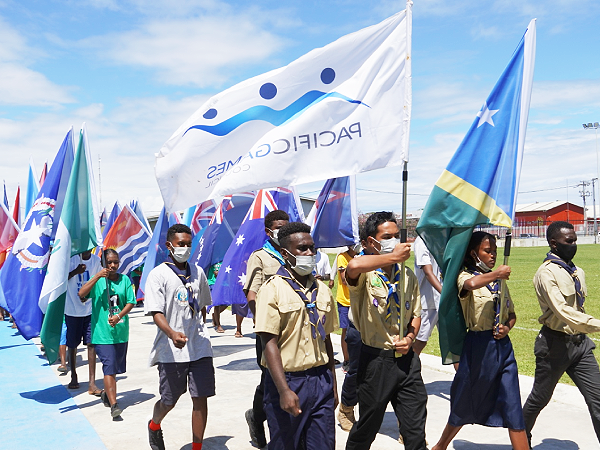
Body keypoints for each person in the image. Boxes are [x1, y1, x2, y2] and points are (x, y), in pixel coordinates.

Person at [431, 231, 528, 450]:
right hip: (478, 348)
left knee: (513, 404)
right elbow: (472, 284)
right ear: (473, 253)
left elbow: (511, 315)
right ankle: (441, 445)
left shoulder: (498, 281)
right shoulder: (463, 276)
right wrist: (497, 274)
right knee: (464, 400)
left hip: (503, 349)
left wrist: (507, 327)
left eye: (495, 251)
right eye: (487, 251)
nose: (493, 255)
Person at [345, 211, 426, 450]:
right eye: (387, 236)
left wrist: (411, 337)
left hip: (406, 361)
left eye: (397, 235)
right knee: (367, 428)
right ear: (372, 241)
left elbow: (416, 314)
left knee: (414, 430)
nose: (394, 241)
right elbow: (354, 265)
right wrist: (391, 258)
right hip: (376, 362)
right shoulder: (365, 273)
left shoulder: (407, 275)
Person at [255, 222, 338, 450]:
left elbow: (326, 339)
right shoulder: (271, 289)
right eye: (302, 249)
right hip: (289, 381)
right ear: (285, 253)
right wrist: (283, 390)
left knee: (323, 445)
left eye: (312, 248)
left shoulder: (322, 290)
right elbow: (268, 343)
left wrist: (333, 384)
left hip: (321, 379)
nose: (310, 253)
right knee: (285, 444)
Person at [522, 221, 600, 445]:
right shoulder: (546, 274)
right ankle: (521, 440)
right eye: (569, 241)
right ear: (554, 244)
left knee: (598, 400)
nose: (574, 245)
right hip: (554, 346)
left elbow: (578, 308)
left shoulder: (577, 271)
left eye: (575, 240)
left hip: (580, 346)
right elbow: (563, 311)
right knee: (539, 399)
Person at [145, 224, 214, 450]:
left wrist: (198, 329)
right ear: (169, 246)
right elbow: (156, 312)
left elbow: (202, 304)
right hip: (170, 349)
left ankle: (197, 446)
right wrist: (172, 332)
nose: (185, 248)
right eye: (180, 244)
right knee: (169, 399)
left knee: (200, 397)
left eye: (188, 244)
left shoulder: (198, 272)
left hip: (199, 347)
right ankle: (155, 424)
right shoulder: (158, 275)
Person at [243, 209, 289, 448]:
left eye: (286, 226)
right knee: (270, 377)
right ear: (269, 231)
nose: (283, 231)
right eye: (279, 227)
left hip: (294, 329)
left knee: (290, 376)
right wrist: (260, 319)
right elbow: (251, 292)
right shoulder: (261, 257)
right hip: (270, 330)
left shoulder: (293, 253)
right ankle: (258, 419)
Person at [79, 248, 136, 418]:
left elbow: (131, 302)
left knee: (116, 368)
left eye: (115, 262)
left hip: (120, 333)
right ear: (103, 264)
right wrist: (97, 276)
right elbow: (81, 294)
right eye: (109, 262)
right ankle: (114, 404)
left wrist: (119, 316)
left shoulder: (124, 280)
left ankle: (106, 394)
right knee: (109, 367)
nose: (112, 265)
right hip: (102, 334)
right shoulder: (98, 281)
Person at [65, 250, 102, 393]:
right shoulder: (72, 259)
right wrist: (75, 271)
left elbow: (99, 279)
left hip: (90, 310)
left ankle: (92, 382)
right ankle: (73, 374)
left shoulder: (96, 261)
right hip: (73, 309)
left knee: (91, 344)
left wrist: (88, 294)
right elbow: (61, 279)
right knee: (72, 345)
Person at [335, 243, 361, 431]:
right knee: (357, 370)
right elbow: (346, 280)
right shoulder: (345, 257)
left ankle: (408, 427)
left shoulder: (397, 268)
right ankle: (346, 408)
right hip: (353, 312)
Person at [412, 236, 442, 355]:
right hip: (427, 301)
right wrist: (445, 293)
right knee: (420, 341)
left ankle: (462, 374)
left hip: (444, 302)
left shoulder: (444, 239)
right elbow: (428, 272)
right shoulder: (422, 241)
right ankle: (408, 370)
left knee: (452, 343)